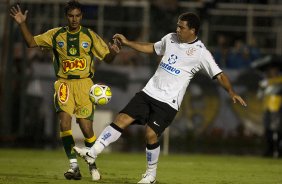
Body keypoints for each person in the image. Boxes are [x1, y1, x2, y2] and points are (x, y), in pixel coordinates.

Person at [74, 12, 247, 184]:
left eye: (182, 27)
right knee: (121, 119)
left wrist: (231, 92)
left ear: (193, 31)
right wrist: (128, 43)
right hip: (149, 92)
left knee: (150, 134)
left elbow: (219, 74)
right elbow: (151, 47)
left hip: (168, 102)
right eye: (177, 25)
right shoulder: (170, 38)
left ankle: (151, 176)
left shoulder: (201, 53)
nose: (177, 29)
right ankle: (92, 152)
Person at [10, 0, 120, 181]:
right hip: (64, 84)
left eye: (77, 16)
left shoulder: (90, 36)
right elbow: (31, 42)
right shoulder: (55, 35)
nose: (74, 19)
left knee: (86, 129)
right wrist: (22, 23)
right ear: (66, 17)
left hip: (85, 85)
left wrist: (114, 52)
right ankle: (73, 166)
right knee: (64, 124)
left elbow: (107, 59)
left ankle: (92, 164)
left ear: (82, 16)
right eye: (71, 16)